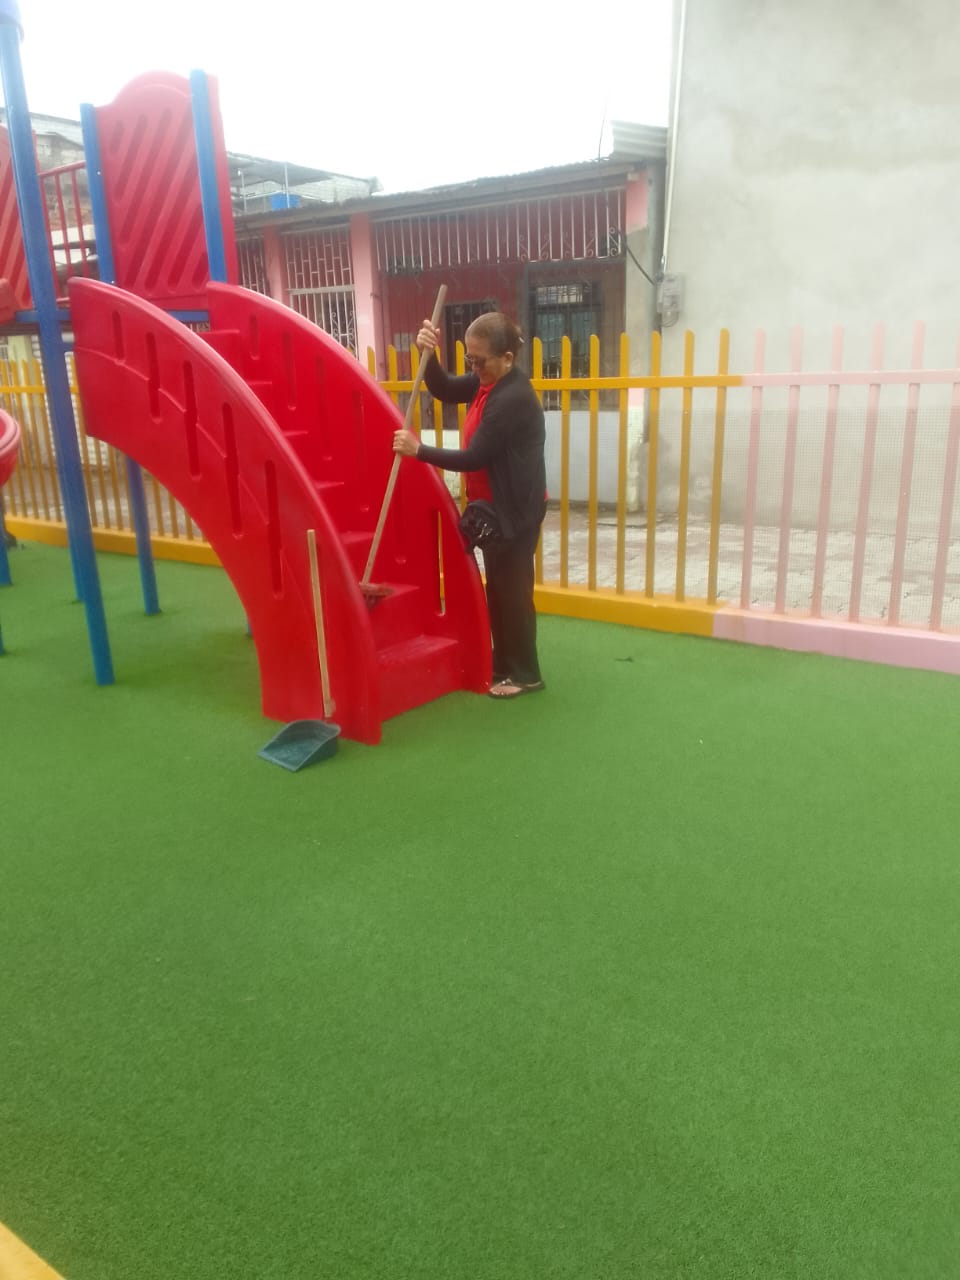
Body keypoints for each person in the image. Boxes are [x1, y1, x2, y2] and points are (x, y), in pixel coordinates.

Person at [393, 311, 546, 699]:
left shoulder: (511, 398)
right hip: (494, 508)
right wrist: (428, 354)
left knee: (513, 593)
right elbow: (444, 388)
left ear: (507, 358)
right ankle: (505, 664)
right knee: (498, 591)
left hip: (516, 511)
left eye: (480, 361)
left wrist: (419, 450)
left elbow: (474, 457)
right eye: (470, 359)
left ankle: (526, 674)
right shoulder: (487, 382)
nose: (474, 368)